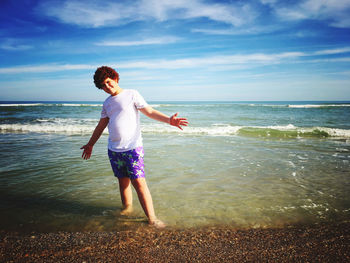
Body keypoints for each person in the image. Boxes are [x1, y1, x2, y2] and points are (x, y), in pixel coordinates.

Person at [81, 66, 188, 228]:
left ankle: (152, 219)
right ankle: (127, 210)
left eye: (109, 82)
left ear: (115, 79)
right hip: (114, 150)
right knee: (123, 183)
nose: (107, 87)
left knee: (139, 183)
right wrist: (90, 144)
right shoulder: (107, 103)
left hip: (132, 148)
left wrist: (169, 120)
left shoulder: (131, 94)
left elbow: (150, 111)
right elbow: (101, 126)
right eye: (103, 86)